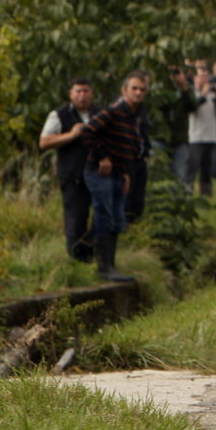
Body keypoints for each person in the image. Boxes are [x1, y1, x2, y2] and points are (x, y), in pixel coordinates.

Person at [80, 71, 151, 282]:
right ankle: (103, 268)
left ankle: (111, 265)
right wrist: (103, 157)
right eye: (134, 89)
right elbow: (87, 132)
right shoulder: (113, 111)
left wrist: (125, 173)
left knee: (117, 219)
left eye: (142, 89)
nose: (138, 93)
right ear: (124, 91)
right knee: (104, 215)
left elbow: (129, 147)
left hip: (119, 174)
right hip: (99, 172)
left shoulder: (133, 116)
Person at [38, 78, 100, 262]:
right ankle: (77, 260)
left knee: (105, 214)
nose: (82, 96)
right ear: (70, 94)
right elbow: (44, 142)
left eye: (86, 91)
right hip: (73, 176)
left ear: (92, 93)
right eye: (78, 91)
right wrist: (71, 135)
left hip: (98, 175)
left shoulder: (99, 113)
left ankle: (91, 253)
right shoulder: (59, 115)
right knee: (76, 221)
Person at [187, 68, 216, 198]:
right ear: (195, 78)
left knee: (207, 169)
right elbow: (193, 107)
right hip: (196, 137)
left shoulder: (212, 96)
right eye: (201, 77)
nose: (204, 79)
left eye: (206, 76)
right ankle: (188, 193)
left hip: (211, 136)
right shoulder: (192, 94)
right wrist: (203, 94)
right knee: (192, 167)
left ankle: (206, 195)